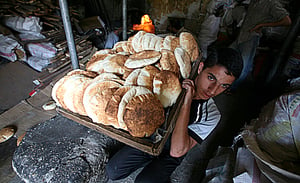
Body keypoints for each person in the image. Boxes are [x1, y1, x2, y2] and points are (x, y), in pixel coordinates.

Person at [105, 47, 243, 183]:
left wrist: (187, 102)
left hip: (172, 152)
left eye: (224, 86)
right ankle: (147, 161)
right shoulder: (174, 79)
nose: (213, 90)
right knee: (113, 172)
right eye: (211, 77)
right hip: (152, 139)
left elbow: (177, 151)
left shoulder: (211, 115)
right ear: (200, 68)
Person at [229, 0, 291, 89]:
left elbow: (287, 21)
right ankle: (226, 82)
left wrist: (263, 25)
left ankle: (233, 87)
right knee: (229, 56)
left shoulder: (271, 4)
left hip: (251, 37)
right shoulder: (254, 2)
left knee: (244, 65)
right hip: (242, 35)